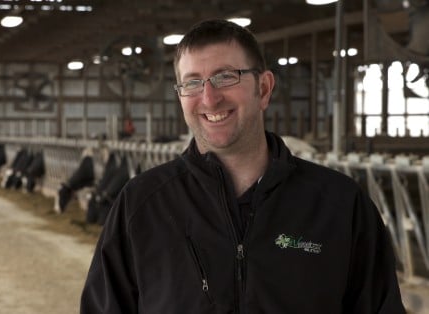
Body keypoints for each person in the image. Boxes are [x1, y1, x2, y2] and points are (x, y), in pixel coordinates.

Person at [80, 19, 406, 313]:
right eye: (192, 82)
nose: (209, 98)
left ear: (263, 89)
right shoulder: (141, 203)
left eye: (225, 77)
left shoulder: (339, 204)